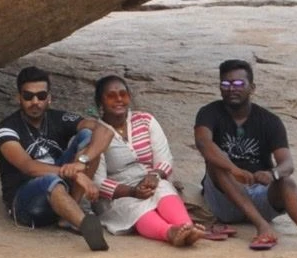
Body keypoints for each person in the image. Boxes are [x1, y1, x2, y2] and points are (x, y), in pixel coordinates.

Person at [193, 60, 297, 253]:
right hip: (224, 200)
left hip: (259, 195)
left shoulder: (270, 121)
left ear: (252, 88)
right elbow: (204, 143)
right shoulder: (208, 113)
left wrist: (273, 174)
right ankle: (263, 227)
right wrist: (233, 169)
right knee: (217, 164)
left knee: (287, 181)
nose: (231, 89)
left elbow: (287, 163)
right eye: (225, 84)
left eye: (238, 84)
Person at [0, 66, 111, 250]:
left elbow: (104, 131)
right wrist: (75, 174)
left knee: (88, 135)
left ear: (49, 98)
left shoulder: (59, 118)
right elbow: (28, 167)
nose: (35, 102)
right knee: (49, 180)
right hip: (25, 202)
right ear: (18, 98)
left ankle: (67, 217)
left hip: (62, 189)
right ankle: (84, 223)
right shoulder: (7, 128)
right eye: (28, 96)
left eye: (41, 96)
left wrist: (82, 162)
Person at [86, 75, 209, 246]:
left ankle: (186, 227)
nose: (119, 99)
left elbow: (165, 159)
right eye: (111, 96)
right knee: (135, 207)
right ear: (100, 102)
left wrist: (154, 175)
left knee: (163, 187)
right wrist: (132, 191)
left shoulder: (145, 120)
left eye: (123, 94)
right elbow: (98, 182)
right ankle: (170, 233)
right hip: (117, 195)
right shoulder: (97, 132)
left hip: (149, 181)